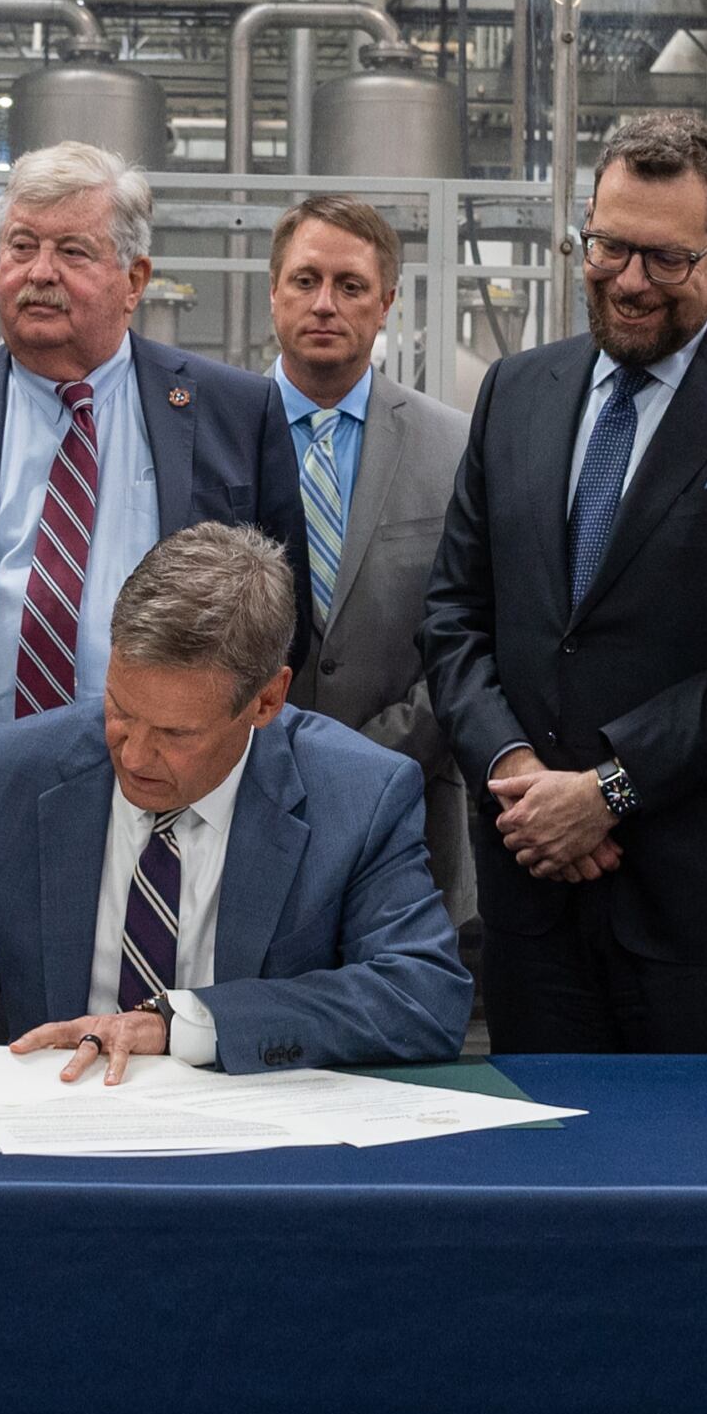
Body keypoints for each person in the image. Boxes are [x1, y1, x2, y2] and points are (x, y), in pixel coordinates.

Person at [417, 108, 707, 1051]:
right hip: (532, 895)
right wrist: (514, 772)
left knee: (704, 1183)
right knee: (542, 1180)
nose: (628, 282)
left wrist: (609, 790)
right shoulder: (516, 391)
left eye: (664, 259)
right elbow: (455, 615)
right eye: (608, 247)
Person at [0, 143, 306, 937]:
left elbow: (280, 620)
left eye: (72, 250)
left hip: (177, 798)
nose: (39, 271)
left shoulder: (235, 413)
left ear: (136, 279)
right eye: (21, 245)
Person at [0, 527, 470, 1072]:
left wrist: (186, 1023)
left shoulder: (358, 793)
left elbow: (421, 996)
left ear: (266, 700)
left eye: (176, 734)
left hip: (252, 1146)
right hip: (50, 1132)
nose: (133, 756)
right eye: (120, 711)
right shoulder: (10, 771)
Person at [267, 191, 477, 924]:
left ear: (385, 302)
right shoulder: (213, 432)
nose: (325, 303)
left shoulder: (454, 446)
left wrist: (368, 761)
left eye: (351, 286)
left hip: (409, 816)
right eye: (305, 280)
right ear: (274, 292)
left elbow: (475, 632)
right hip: (241, 816)